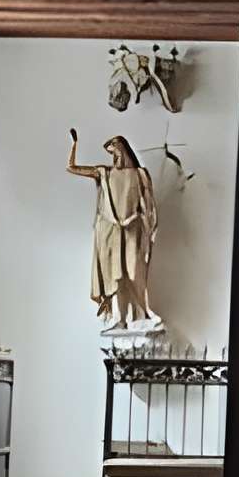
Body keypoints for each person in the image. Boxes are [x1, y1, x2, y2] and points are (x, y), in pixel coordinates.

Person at [68, 130, 160, 329]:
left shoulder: (140, 174)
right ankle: (121, 320)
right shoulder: (105, 173)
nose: (115, 156)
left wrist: (145, 226)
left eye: (117, 151)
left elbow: (149, 207)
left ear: (125, 150)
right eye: (112, 153)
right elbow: (72, 168)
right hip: (112, 233)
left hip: (133, 230)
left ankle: (142, 314)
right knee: (116, 277)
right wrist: (74, 145)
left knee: (135, 272)